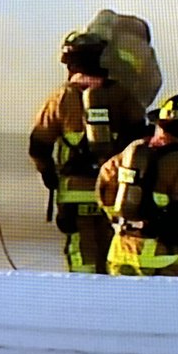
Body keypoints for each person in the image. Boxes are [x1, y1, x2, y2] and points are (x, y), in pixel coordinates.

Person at [29, 31, 147, 274]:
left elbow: (38, 146)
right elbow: (141, 141)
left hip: (73, 192)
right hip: (114, 192)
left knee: (80, 253)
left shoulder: (61, 98)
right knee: (114, 248)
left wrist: (48, 174)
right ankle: (110, 299)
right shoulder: (122, 95)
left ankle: (83, 299)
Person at [98, 93, 178, 277]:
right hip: (164, 261)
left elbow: (104, 189)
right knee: (162, 306)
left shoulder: (132, 150)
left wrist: (118, 220)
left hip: (121, 253)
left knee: (122, 306)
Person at [85, 9, 164, 109]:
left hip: (89, 104)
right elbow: (152, 82)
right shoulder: (143, 49)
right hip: (124, 105)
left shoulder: (86, 43)